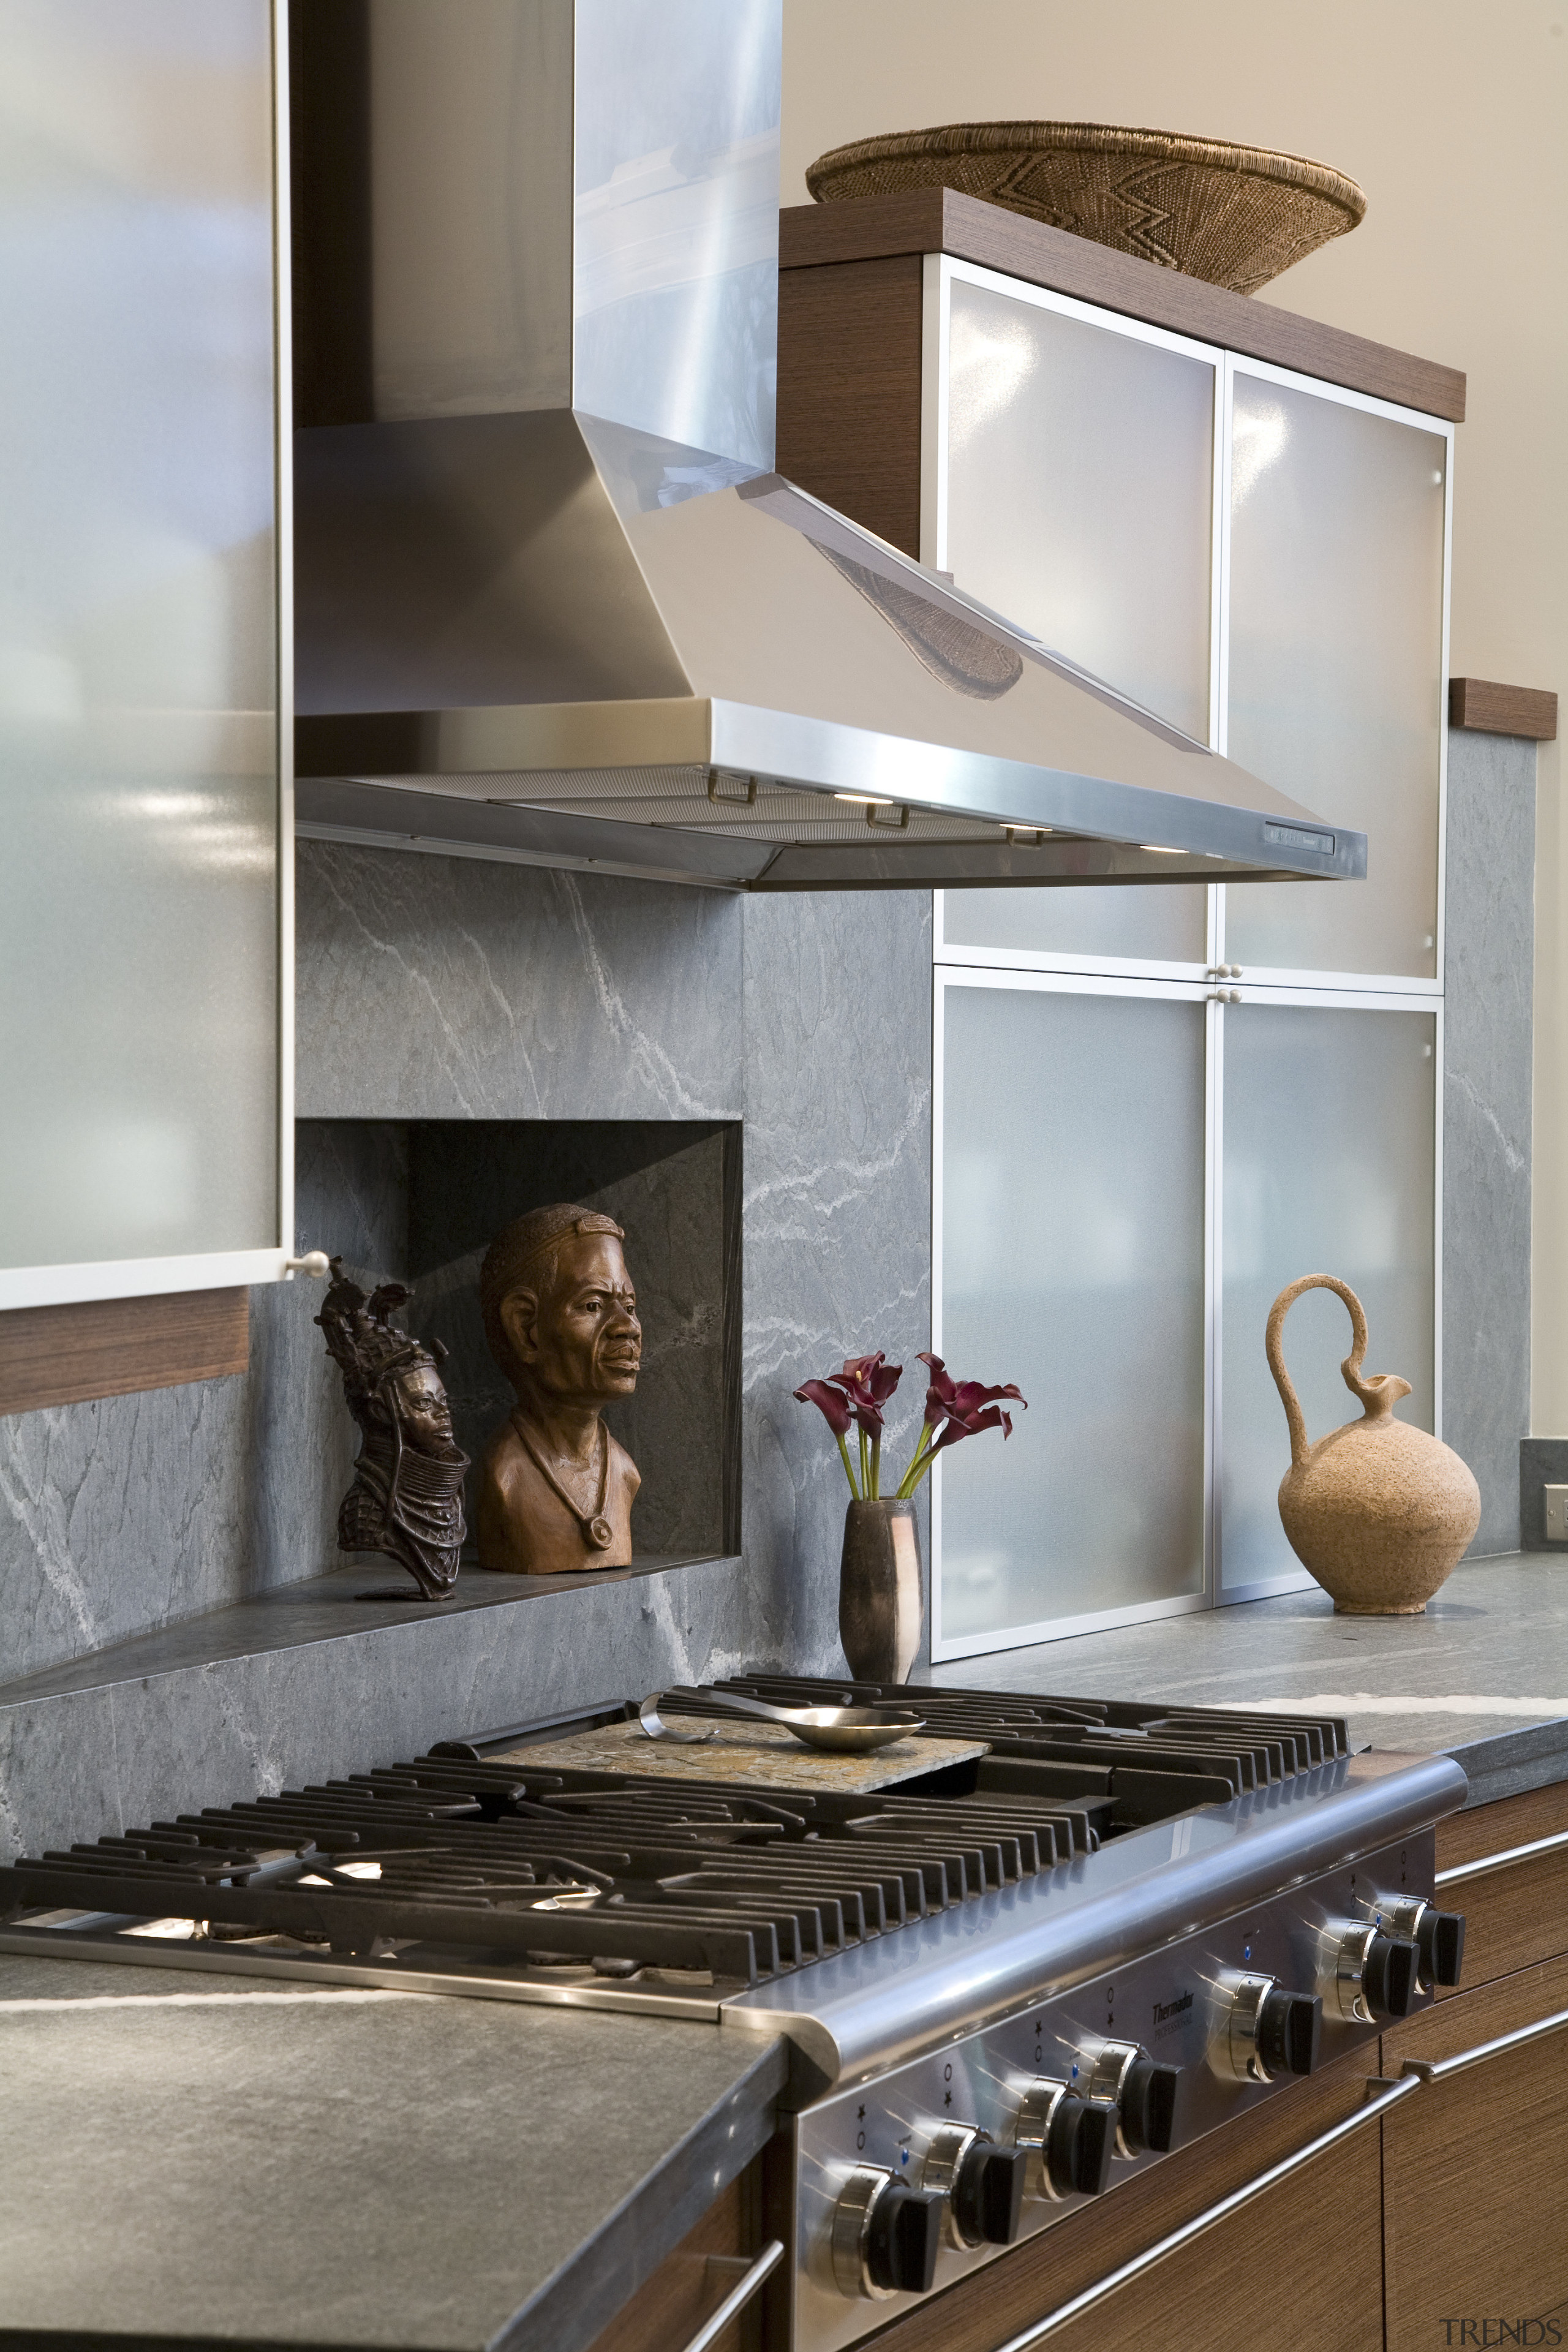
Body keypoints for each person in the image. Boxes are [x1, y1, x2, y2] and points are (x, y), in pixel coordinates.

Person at [477, 1204, 641, 1574]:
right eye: (594, 1305)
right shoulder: (506, 1475)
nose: (627, 1328)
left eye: (630, 1307)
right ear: (525, 1328)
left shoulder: (625, 1472)